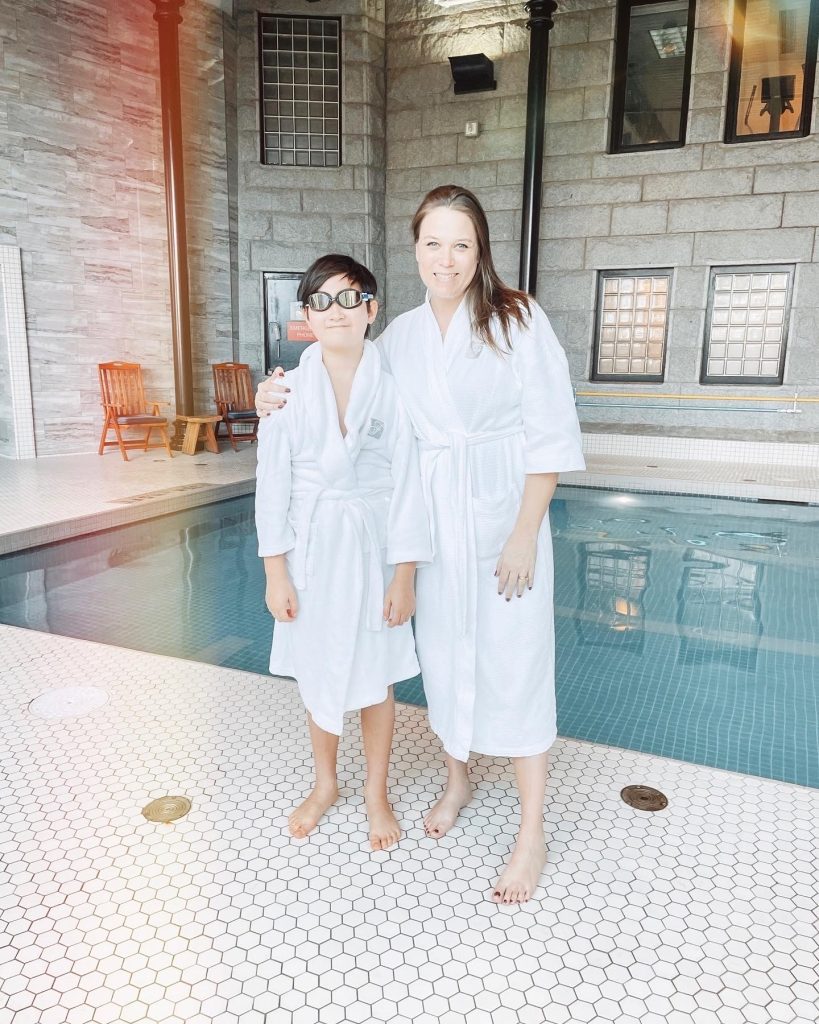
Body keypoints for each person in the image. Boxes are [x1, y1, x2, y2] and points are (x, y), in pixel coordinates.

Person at [257, 186, 585, 904]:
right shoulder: (399, 333)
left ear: (480, 251)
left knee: (518, 657)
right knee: (442, 655)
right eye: (432, 244)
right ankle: (457, 778)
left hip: (502, 514)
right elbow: (346, 378)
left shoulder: (518, 319)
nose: (446, 259)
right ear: (414, 250)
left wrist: (525, 530)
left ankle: (531, 831)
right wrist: (269, 397)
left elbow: (550, 432)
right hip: (430, 524)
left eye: (460, 244)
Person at [255, 253, 432, 852]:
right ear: (306, 316)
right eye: (322, 301)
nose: (336, 311)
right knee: (316, 669)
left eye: (349, 298)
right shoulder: (285, 392)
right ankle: (326, 782)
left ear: (371, 310)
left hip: (372, 551)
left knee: (377, 679)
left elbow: (410, 485)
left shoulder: (394, 389)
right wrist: (276, 571)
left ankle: (376, 793)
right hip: (311, 555)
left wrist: (404, 574)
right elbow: (272, 485)